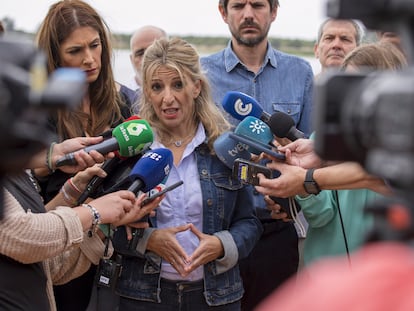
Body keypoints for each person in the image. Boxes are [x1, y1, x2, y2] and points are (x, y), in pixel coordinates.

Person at [113, 37, 262, 311]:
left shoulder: (225, 148)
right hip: (144, 299)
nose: (167, 98)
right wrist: (148, 240)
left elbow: (249, 223)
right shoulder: (132, 149)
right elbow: (108, 226)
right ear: (146, 91)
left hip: (216, 299)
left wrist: (221, 244)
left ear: (196, 86)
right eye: (157, 87)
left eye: (178, 84)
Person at [200, 1, 313, 309]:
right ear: (223, 12)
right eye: (238, 5)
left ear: (273, 11)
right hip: (219, 234)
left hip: (277, 233)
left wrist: (291, 204)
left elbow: (311, 155)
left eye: (258, 4)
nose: (248, 14)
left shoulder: (300, 72)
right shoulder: (200, 73)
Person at [255, 42, 406, 270]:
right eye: (348, 84)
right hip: (326, 276)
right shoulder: (325, 139)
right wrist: (301, 181)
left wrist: (307, 178)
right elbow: (321, 215)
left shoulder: (405, 146)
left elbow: (381, 176)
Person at [33, 1, 137, 309]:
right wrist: (54, 162)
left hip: (118, 249)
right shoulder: (38, 109)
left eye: (94, 46)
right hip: (60, 255)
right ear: (54, 57)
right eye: (75, 51)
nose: (89, 59)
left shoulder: (122, 103)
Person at [0, 136, 162, 311]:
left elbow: (47, 264)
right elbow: (23, 236)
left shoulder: (14, 169)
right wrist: (93, 211)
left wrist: (105, 225)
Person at [128, 25, 168, 91]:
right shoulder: (117, 96)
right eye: (140, 53)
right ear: (131, 60)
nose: (146, 58)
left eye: (154, 51)